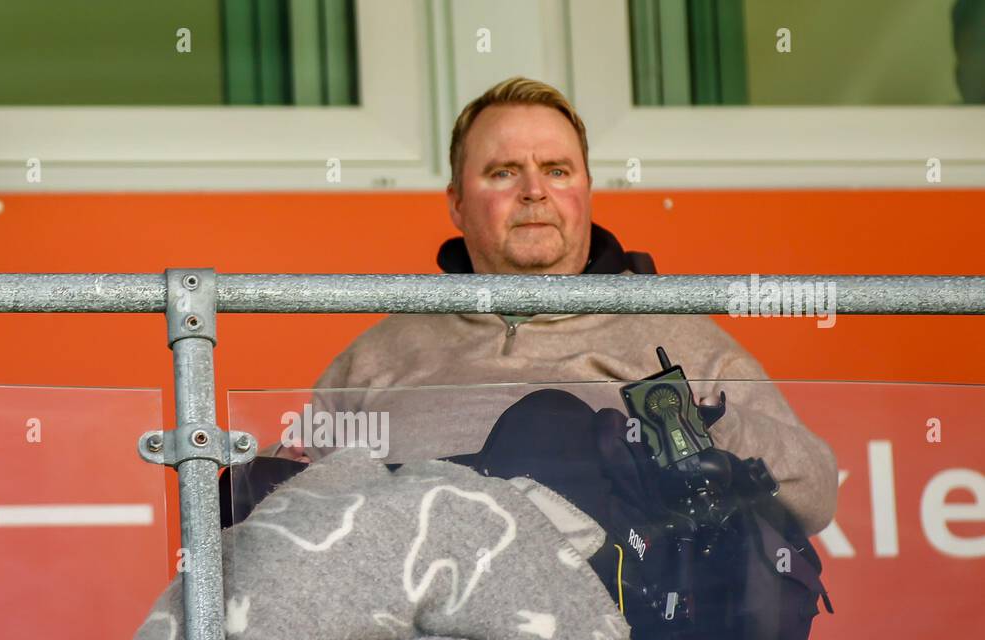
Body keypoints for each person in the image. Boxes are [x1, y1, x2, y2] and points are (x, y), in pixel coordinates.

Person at [307, 76, 839, 537]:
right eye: (504, 172)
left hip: (628, 630)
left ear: (586, 191)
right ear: (456, 203)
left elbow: (814, 489)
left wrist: (697, 430)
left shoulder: (671, 330)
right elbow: (291, 492)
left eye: (557, 171)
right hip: (411, 626)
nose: (534, 191)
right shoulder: (381, 352)